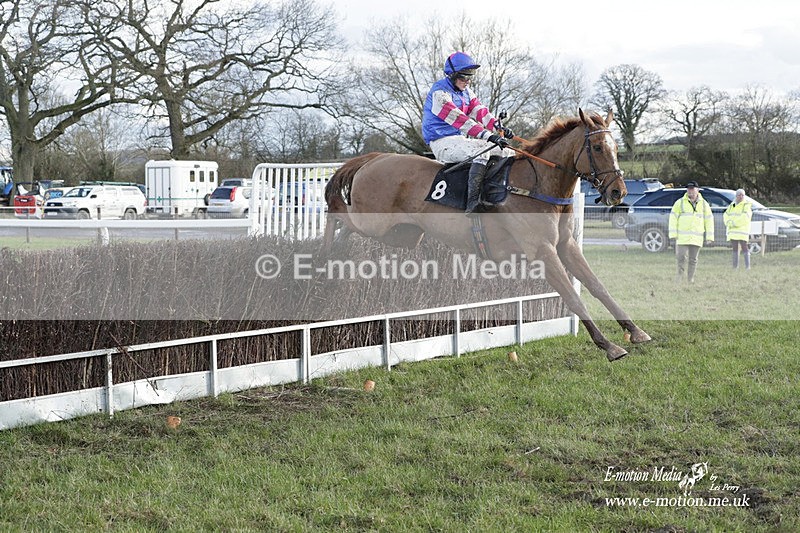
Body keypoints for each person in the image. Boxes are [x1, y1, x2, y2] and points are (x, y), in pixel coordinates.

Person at [422, 51, 515, 214]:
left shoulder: (466, 92)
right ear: (452, 75)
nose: (468, 81)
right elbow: (462, 121)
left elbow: (480, 111)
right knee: (481, 152)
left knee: (507, 152)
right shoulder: (440, 94)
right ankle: (473, 203)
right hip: (441, 143)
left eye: (470, 76)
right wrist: (489, 135)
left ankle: (498, 196)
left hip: (459, 140)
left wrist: (498, 127)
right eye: (464, 77)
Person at [668, 181, 714, 283]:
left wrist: (709, 237)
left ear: (697, 190)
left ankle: (690, 279)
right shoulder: (679, 203)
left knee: (693, 259)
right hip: (682, 237)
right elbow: (673, 218)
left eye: (692, 189)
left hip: (696, 237)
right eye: (689, 189)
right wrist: (673, 234)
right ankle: (679, 277)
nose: (690, 191)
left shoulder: (704, 204)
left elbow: (709, 220)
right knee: (681, 257)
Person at [723, 188, 753, 269]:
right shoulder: (732, 205)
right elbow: (726, 214)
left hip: (742, 230)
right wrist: (728, 222)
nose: (741, 196)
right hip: (733, 231)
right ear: (736, 196)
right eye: (739, 195)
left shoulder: (746, 205)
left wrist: (734, 223)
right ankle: (735, 266)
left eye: (742, 195)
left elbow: (745, 217)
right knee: (735, 247)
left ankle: (748, 266)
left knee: (744, 247)